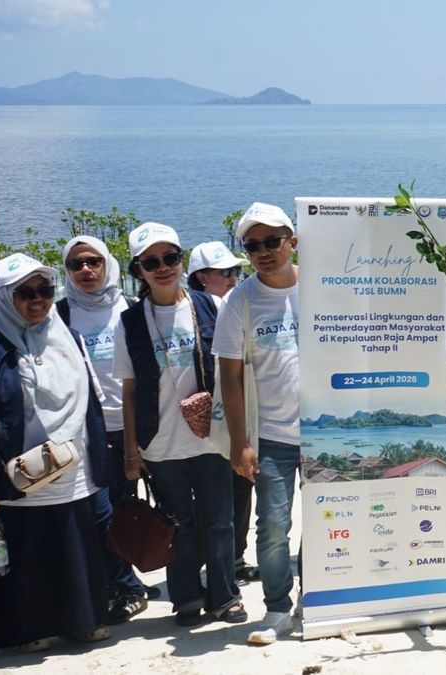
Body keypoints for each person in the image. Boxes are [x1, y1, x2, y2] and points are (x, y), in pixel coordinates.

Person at [0, 252, 112, 653]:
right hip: (17, 481)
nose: (37, 299)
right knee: (25, 559)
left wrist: (100, 469)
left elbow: (91, 401)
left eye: (44, 290)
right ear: (5, 298)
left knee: (73, 551)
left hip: (73, 474)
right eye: (25, 292)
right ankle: (23, 633)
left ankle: (81, 622)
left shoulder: (70, 339)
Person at [113, 222, 246, 627]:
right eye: (151, 262)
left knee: (220, 522)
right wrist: (131, 451)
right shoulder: (130, 322)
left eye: (169, 258)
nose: (162, 267)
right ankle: (187, 598)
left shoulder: (212, 306)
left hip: (212, 440)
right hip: (161, 443)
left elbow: (235, 375)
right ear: (138, 271)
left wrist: (242, 436)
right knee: (178, 526)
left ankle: (225, 596)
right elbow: (131, 391)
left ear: (181, 260)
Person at [212, 202, 302, 644]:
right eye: (252, 245)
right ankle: (278, 607)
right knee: (272, 527)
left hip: (328, 432)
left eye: (272, 241)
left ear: (293, 241)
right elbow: (229, 375)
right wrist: (239, 442)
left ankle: (317, 599)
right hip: (272, 437)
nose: (264, 251)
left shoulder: (325, 286)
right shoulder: (239, 301)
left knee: (329, 522)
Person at [57, 235, 155, 624]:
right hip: (89, 433)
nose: (85, 270)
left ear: (108, 265)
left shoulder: (132, 308)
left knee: (134, 509)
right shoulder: (59, 314)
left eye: (93, 261)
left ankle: (126, 576)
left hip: (137, 426)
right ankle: (123, 583)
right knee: (102, 512)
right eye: (76, 264)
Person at [188, 239, 259, 584]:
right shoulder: (213, 306)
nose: (233, 277)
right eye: (225, 272)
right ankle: (228, 562)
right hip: (215, 419)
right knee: (229, 495)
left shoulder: (230, 302)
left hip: (228, 415)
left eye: (236, 271)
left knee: (237, 491)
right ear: (201, 277)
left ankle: (234, 559)